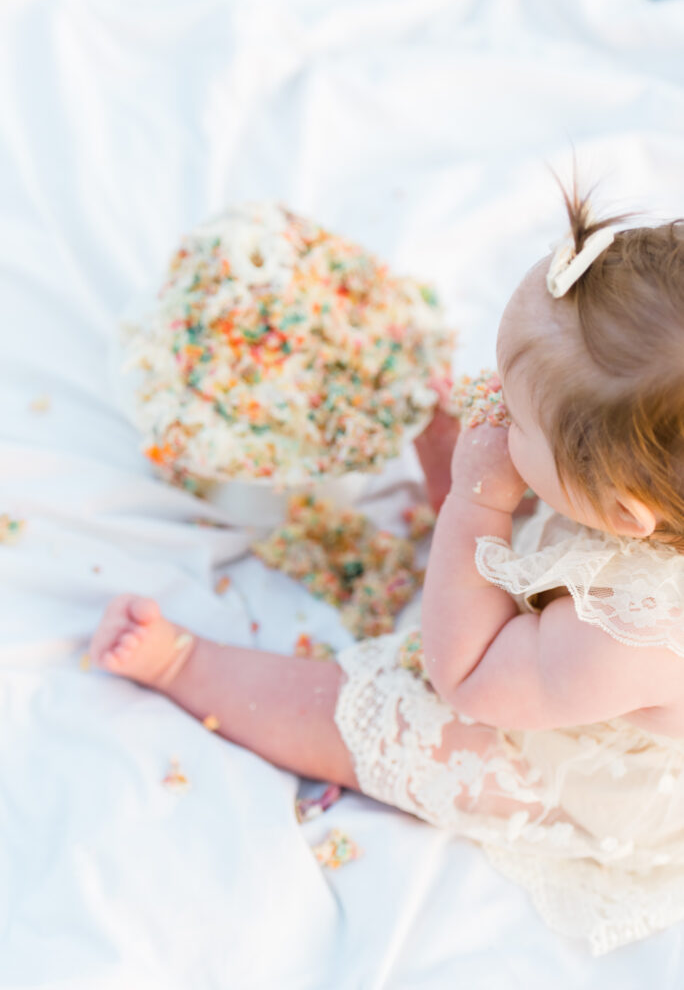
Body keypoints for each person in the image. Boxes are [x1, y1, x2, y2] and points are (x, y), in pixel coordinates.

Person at [89, 183, 684, 955]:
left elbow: (464, 678)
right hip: (566, 623)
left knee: (402, 730)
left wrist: (476, 505)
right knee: (495, 525)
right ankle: (474, 536)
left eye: (516, 409)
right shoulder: (646, 485)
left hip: (565, 741)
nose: (493, 399)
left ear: (622, 516)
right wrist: (505, 466)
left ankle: (184, 665)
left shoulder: (623, 637)